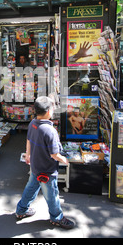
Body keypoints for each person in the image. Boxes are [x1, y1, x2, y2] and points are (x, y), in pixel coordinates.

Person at [16, 96, 75, 229]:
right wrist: (65, 160)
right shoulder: (50, 131)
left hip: (36, 166)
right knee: (52, 195)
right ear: (48, 111)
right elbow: (54, 154)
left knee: (30, 188)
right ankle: (56, 217)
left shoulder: (33, 124)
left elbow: (29, 140)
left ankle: (21, 210)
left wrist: (28, 155)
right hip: (47, 170)